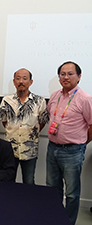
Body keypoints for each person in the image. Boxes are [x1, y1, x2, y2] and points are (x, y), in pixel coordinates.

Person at [47, 61, 92, 225]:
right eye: (62, 74)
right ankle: (53, 219)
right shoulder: (55, 95)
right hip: (52, 149)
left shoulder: (86, 99)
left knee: (72, 193)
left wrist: (80, 144)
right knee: (52, 189)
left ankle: (68, 222)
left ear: (79, 77)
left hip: (73, 151)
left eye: (70, 74)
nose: (66, 77)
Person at [0, 68, 48, 184]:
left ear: (31, 82)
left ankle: (29, 202)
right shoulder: (6, 100)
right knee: (8, 180)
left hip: (29, 149)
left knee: (29, 181)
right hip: (10, 148)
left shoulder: (39, 101)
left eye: (25, 78)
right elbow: (4, 121)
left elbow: (42, 122)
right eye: (18, 78)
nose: (21, 81)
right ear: (14, 82)